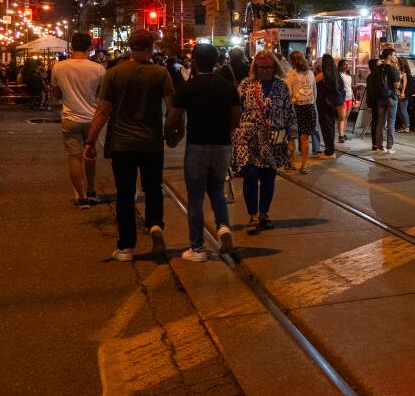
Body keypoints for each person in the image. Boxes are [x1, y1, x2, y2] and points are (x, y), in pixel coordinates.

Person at [85, 30, 175, 262]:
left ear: (130, 46)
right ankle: (155, 226)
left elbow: (103, 110)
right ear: (151, 47)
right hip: (151, 143)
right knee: (153, 188)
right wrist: (174, 131)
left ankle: (126, 247)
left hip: (122, 144)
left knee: (125, 194)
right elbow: (172, 107)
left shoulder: (114, 74)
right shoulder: (161, 73)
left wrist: (90, 140)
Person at [164, 43, 241, 261]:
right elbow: (236, 116)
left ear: (194, 62)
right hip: (222, 145)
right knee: (217, 190)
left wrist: (173, 135)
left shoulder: (187, 87)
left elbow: (172, 118)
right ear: (216, 62)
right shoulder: (227, 86)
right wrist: (226, 131)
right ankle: (224, 227)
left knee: (196, 196)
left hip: (197, 145)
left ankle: (197, 248)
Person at [231, 51, 297, 234]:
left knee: (268, 178)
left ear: (274, 68)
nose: (264, 71)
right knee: (250, 176)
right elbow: (236, 110)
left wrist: (292, 140)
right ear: (255, 68)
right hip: (248, 139)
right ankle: (252, 216)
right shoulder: (246, 85)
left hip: (274, 140)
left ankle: (264, 214)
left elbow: (289, 113)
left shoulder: (282, 86)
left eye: (268, 68)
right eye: (261, 68)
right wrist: (233, 134)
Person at [51, 32, 106, 208]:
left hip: (70, 117)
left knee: (74, 158)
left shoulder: (58, 67)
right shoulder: (98, 69)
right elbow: (102, 95)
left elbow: (56, 93)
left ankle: (81, 197)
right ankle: (91, 191)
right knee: (90, 155)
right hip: (92, 118)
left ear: (71, 46)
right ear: (90, 47)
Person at [285, 50, 318, 173]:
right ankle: (303, 166)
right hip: (309, 107)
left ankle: (291, 163)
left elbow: (287, 94)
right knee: (305, 139)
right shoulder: (310, 73)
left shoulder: (290, 75)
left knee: (291, 137)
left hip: (295, 109)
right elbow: (315, 92)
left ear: (291, 61)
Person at [371, 48, 401, 154]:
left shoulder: (377, 69)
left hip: (380, 98)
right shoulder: (393, 69)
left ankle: (379, 145)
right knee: (391, 123)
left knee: (380, 123)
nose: (395, 57)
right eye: (394, 55)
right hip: (391, 98)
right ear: (389, 56)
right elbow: (396, 85)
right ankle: (389, 147)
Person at [314, 53, 340, 158]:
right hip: (332, 104)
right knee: (331, 127)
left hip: (323, 104)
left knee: (326, 128)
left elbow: (312, 82)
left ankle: (329, 151)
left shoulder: (323, 74)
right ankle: (330, 149)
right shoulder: (335, 73)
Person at [396, 56, 415, 133]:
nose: (396, 62)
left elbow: (404, 83)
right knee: (400, 110)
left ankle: (407, 125)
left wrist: (402, 92)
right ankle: (404, 125)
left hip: (403, 93)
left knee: (403, 109)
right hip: (400, 92)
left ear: (400, 63)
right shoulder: (401, 70)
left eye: (397, 61)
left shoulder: (403, 72)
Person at [336, 58, 354, 142]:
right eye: (345, 64)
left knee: (346, 117)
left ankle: (343, 133)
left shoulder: (349, 75)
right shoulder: (338, 75)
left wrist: (353, 97)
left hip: (349, 98)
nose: (347, 66)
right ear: (340, 65)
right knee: (342, 117)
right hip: (342, 98)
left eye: (347, 64)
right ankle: (340, 135)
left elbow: (350, 87)